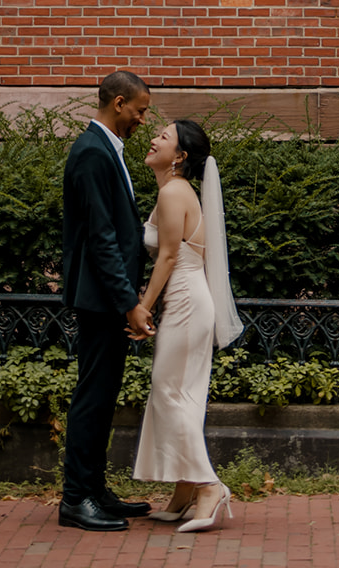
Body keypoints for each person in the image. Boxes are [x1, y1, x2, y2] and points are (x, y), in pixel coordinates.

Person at [132, 117, 244, 533]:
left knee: (167, 389)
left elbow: (168, 257)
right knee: (185, 396)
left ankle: (209, 485)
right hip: (187, 301)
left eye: (163, 137)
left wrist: (143, 306)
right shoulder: (173, 191)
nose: (153, 139)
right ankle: (183, 493)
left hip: (185, 302)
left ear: (179, 156)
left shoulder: (174, 192)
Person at [59, 70, 155, 533]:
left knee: (103, 396)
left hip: (107, 299)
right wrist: (128, 302)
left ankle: (94, 489)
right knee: (92, 398)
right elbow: (101, 239)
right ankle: (75, 499)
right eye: (140, 111)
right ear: (118, 103)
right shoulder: (92, 153)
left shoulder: (105, 150)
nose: (142, 120)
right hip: (100, 300)